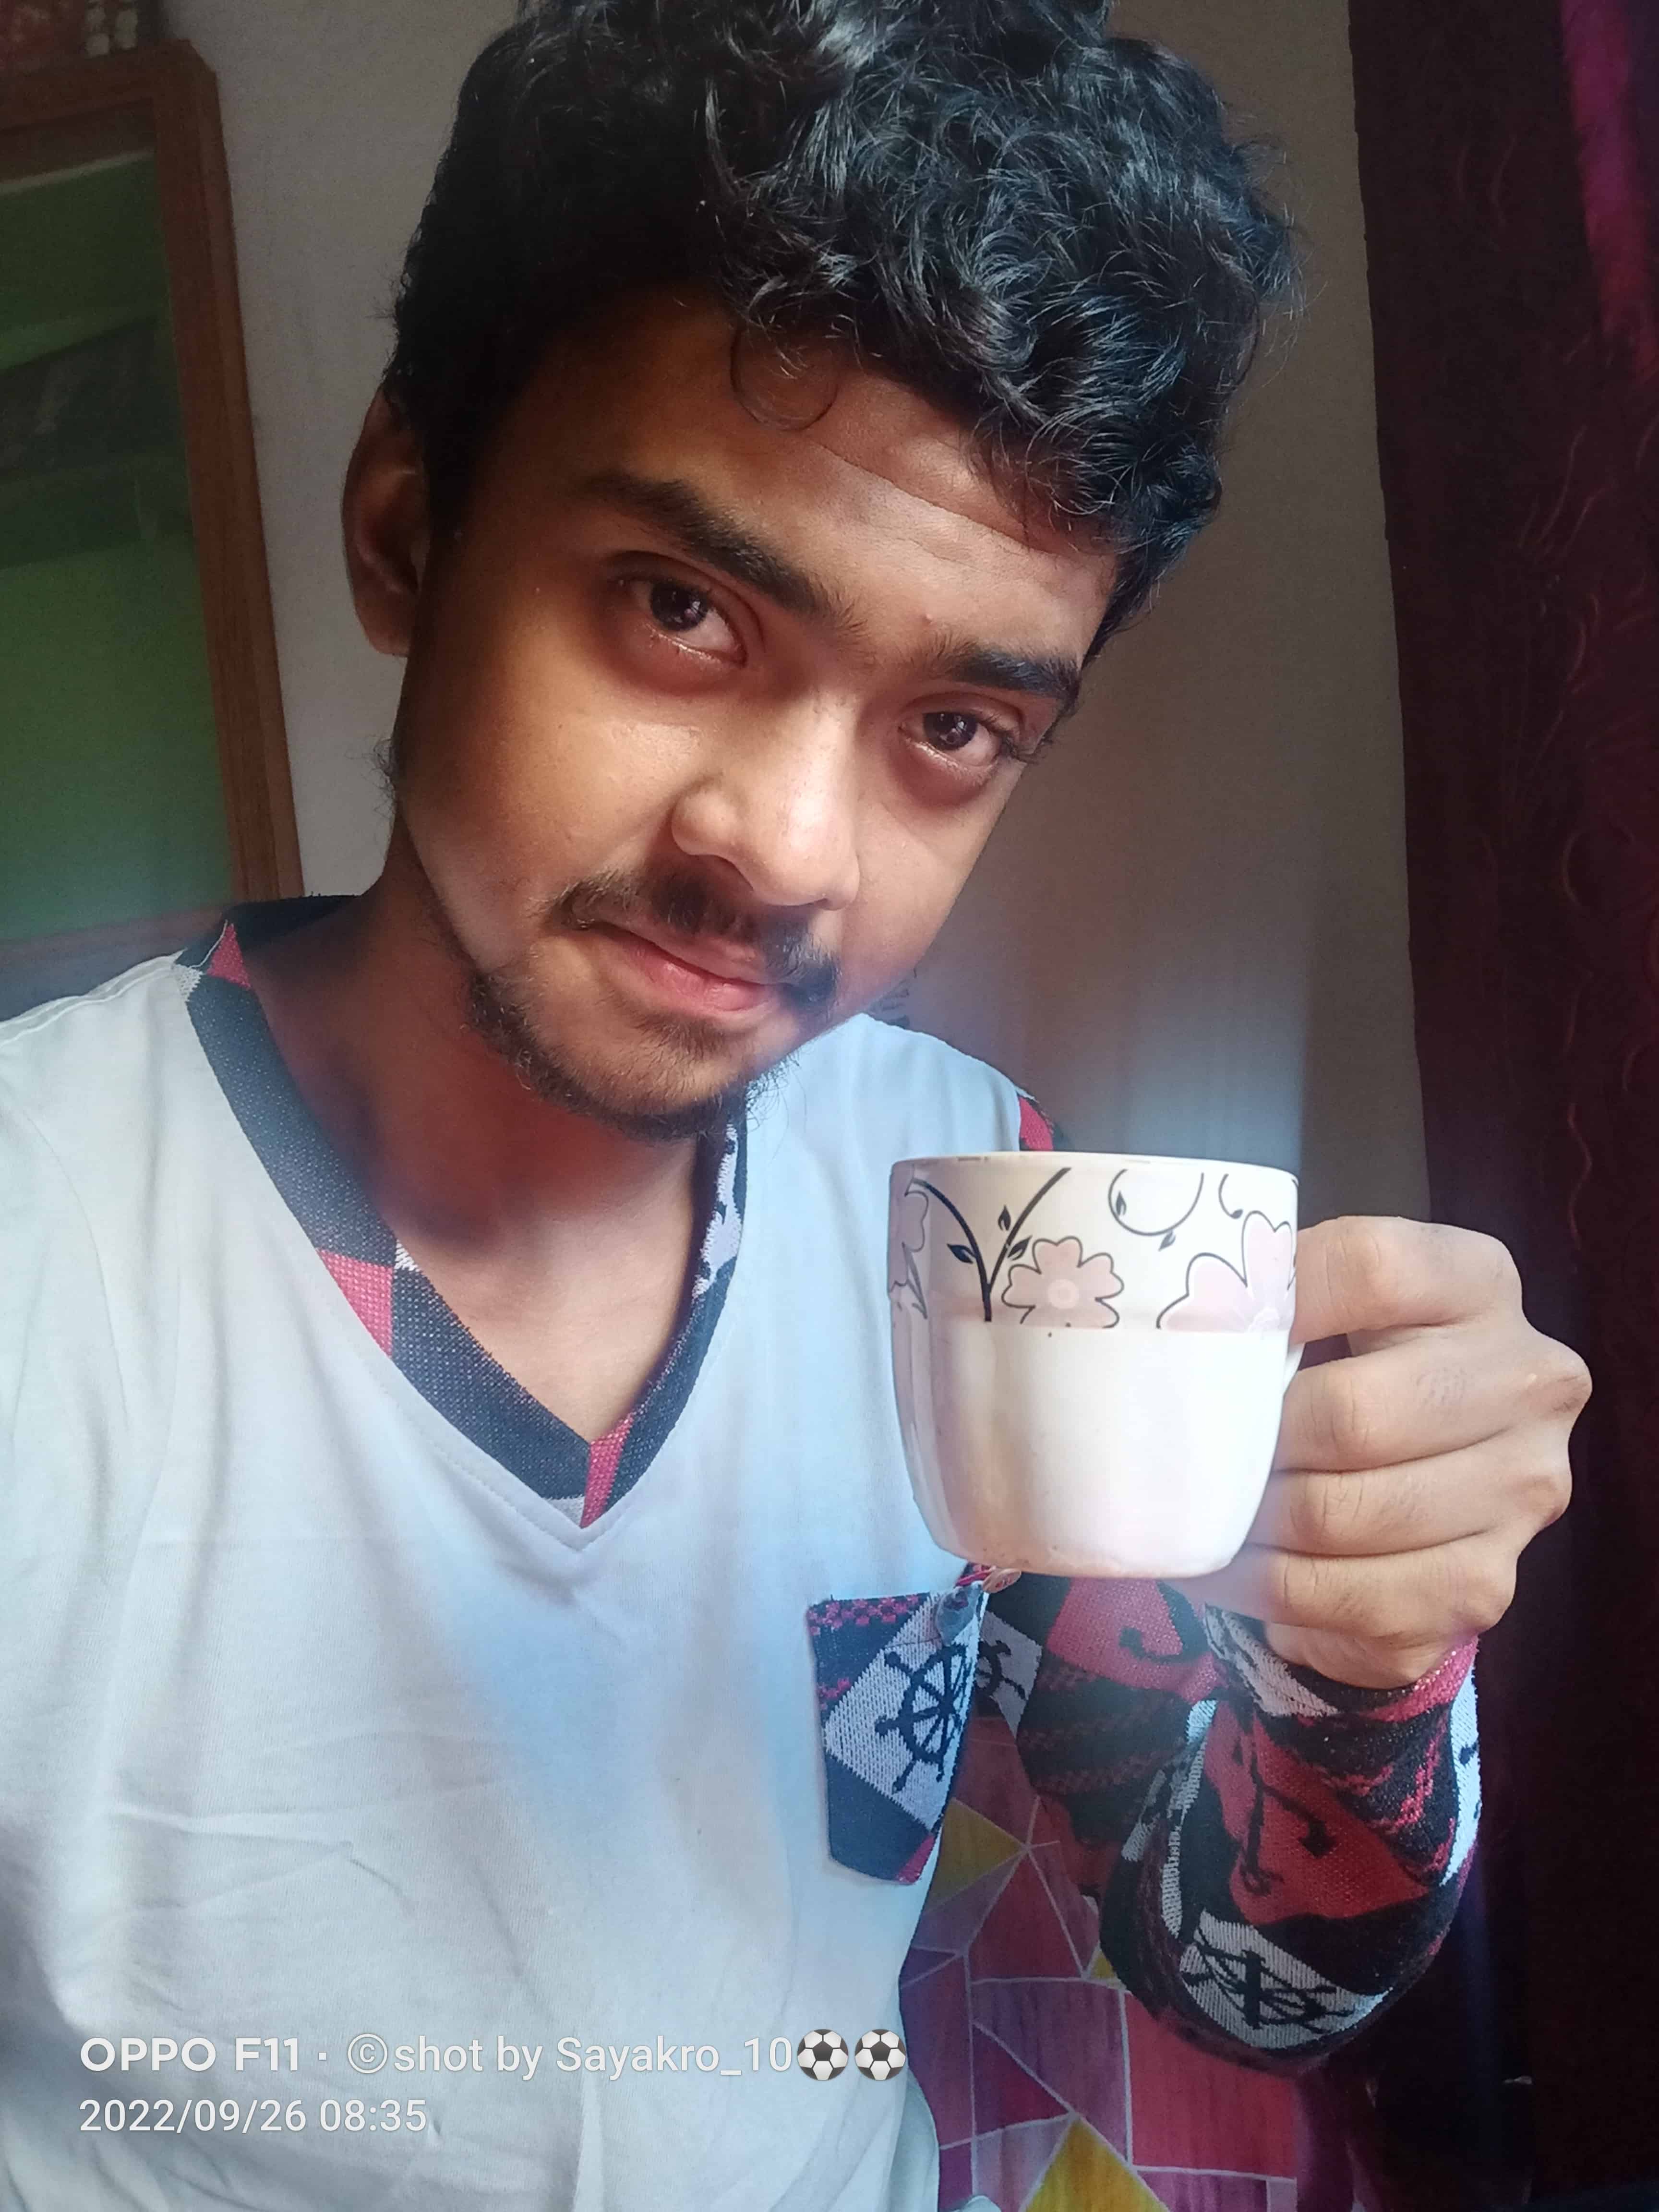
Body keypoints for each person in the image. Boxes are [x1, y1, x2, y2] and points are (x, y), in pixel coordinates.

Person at [0, 1, 1589, 2206]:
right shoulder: (43, 1241)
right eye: (682, 609)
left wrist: (1370, 1661)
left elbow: (1238, 1976)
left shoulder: (983, 1223)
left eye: (953, 730)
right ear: (405, 527)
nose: (788, 850)